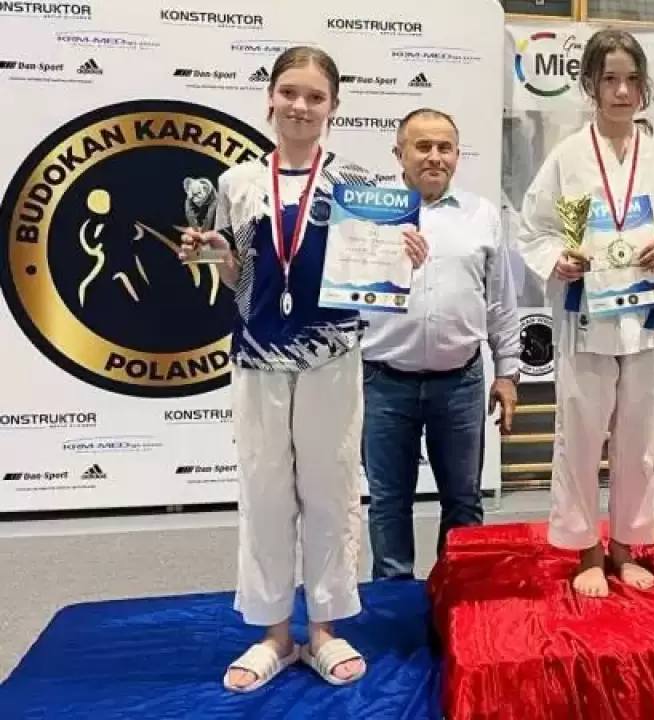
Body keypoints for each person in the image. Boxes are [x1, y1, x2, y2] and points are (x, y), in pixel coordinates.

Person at [179, 46, 427, 691]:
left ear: (333, 107)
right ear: (270, 97)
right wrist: (213, 254)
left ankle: (323, 629)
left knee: (332, 491)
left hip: (332, 357)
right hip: (258, 355)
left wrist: (403, 255)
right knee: (264, 493)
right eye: (290, 92)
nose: (300, 106)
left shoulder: (356, 186)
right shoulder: (237, 183)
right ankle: (273, 635)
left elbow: (376, 271)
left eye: (315, 97)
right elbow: (238, 277)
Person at [516, 28, 654, 598]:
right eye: (610, 79)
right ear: (590, 84)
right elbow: (535, 229)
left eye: (632, 80)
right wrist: (558, 259)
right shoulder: (567, 156)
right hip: (586, 315)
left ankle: (626, 546)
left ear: (644, 87)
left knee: (640, 439)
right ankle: (586, 550)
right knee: (580, 435)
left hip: (643, 317)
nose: (622, 91)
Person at [361, 107, 521, 579]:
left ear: (456, 155)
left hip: (461, 383)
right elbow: (342, 297)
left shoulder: (481, 214)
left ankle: (459, 596)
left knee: (463, 501)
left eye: (444, 147)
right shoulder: (368, 213)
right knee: (388, 503)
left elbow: (500, 301)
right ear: (399, 154)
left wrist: (508, 373)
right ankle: (394, 599)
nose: (435, 157)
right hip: (384, 383)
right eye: (423, 146)